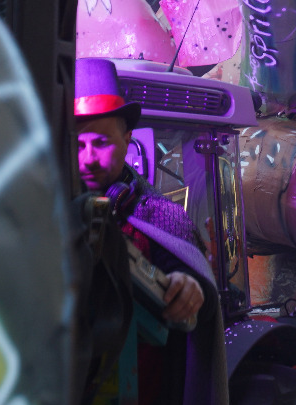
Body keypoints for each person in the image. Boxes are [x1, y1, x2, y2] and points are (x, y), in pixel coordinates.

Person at [75, 58, 207, 326]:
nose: (88, 158)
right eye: (78, 145)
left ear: (126, 140)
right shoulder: (46, 209)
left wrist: (188, 286)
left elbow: (186, 275)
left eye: (101, 143)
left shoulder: (161, 215)